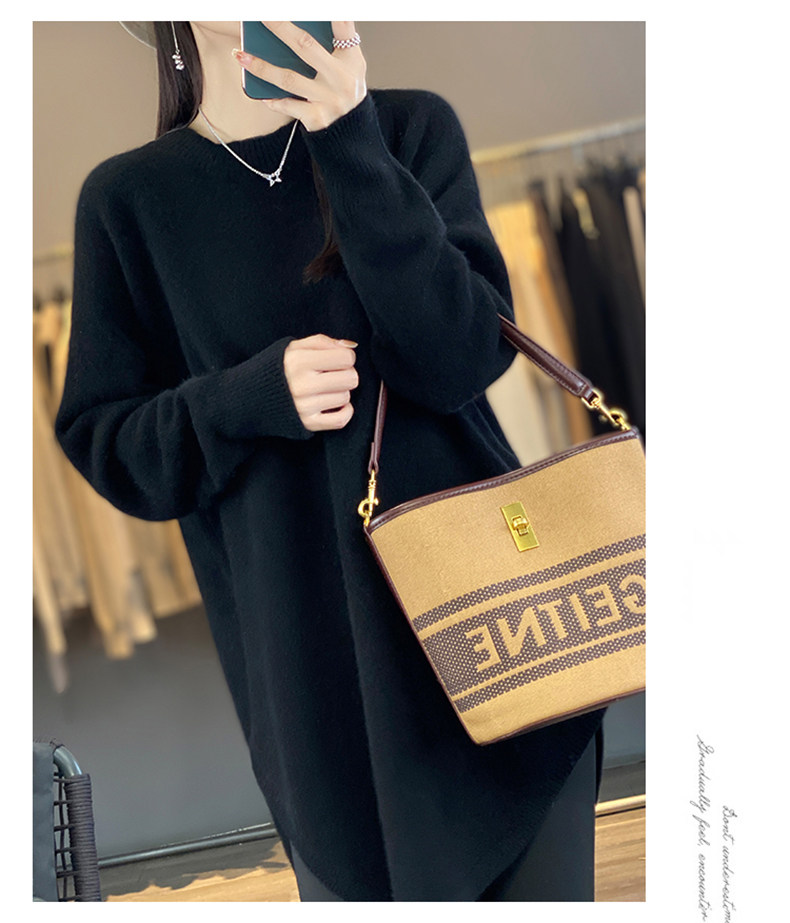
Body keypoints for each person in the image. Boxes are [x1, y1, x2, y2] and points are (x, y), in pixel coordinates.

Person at [54, 21, 606, 902]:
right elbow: (109, 444)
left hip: (500, 647)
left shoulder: (408, 130)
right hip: (316, 692)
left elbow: (461, 356)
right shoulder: (130, 202)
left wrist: (349, 138)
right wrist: (250, 397)